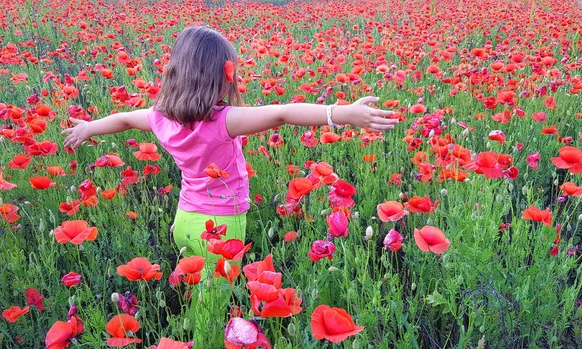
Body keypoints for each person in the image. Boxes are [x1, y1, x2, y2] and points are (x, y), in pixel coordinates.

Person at [61, 26, 397, 346]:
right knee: (212, 304)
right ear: (221, 77)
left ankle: (190, 328)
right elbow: (281, 113)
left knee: (198, 283)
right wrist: (340, 113)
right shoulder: (224, 120)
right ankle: (199, 341)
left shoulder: (159, 117)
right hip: (221, 226)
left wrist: (89, 128)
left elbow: (121, 119)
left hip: (185, 220)